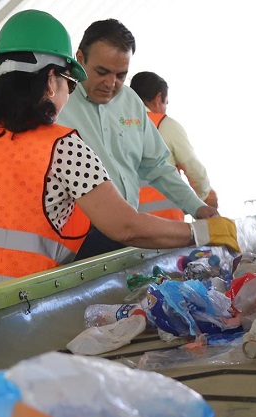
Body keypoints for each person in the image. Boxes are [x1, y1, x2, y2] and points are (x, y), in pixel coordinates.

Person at [0, 10, 239, 306]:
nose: (69, 92)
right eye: (69, 81)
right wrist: (201, 233)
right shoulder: (62, 146)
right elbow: (124, 225)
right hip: (15, 313)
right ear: (51, 80)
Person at [57, 19, 218, 260]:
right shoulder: (57, 103)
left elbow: (157, 166)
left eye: (121, 75)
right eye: (102, 72)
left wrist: (197, 207)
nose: (111, 84)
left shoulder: (131, 101)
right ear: (80, 58)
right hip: (74, 242)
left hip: (128, 234)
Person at [130, 70, 219, 219]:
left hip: (128, 223)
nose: (165, 108)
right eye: (166, 103)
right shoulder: (166, 125)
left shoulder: (118, 127)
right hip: (166, 222)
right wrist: (206, 196)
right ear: (159, 98)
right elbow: (193, 167)